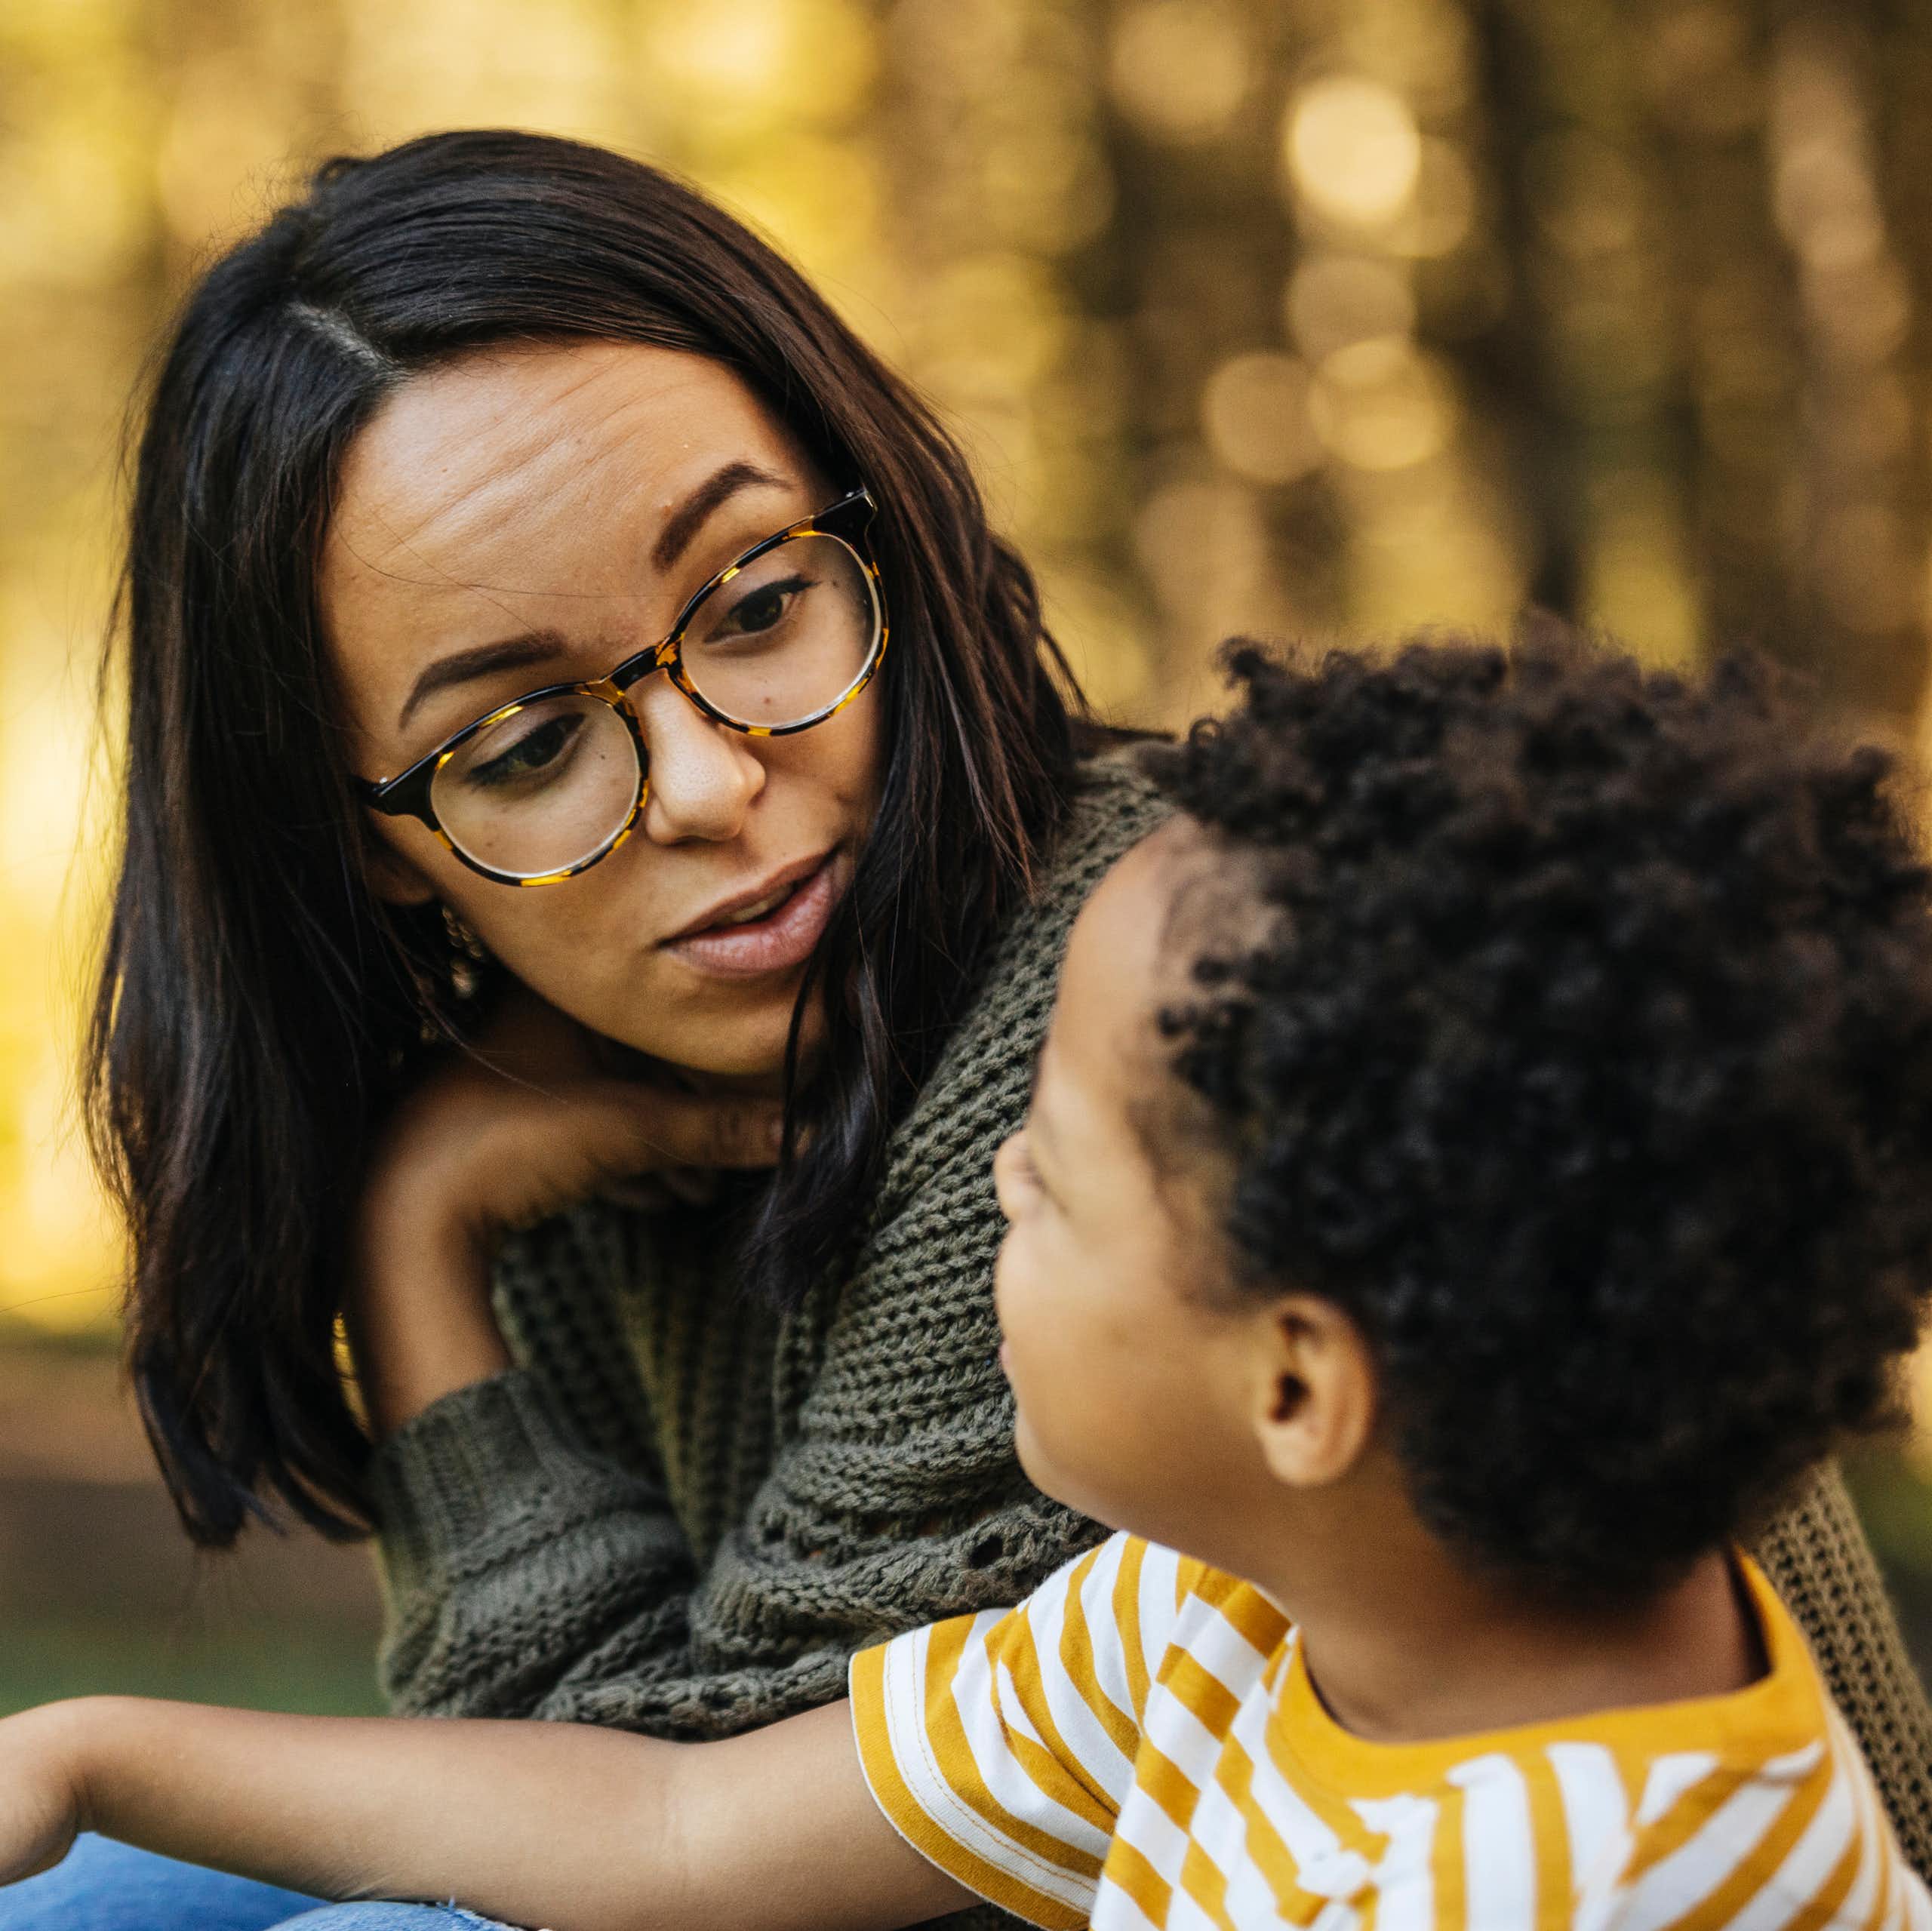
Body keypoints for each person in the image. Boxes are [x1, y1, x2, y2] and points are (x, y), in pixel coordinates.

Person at [8, 128, 1930, 1927]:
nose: (708, 782)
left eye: (755, 604)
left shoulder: (1164, 1022)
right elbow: (665, 1827)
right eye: (520, 744)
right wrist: (90, 1748)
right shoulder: (1179, 1623)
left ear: (882, 532)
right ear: (359, 842)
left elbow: (621, 1862)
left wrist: (418, 1236)